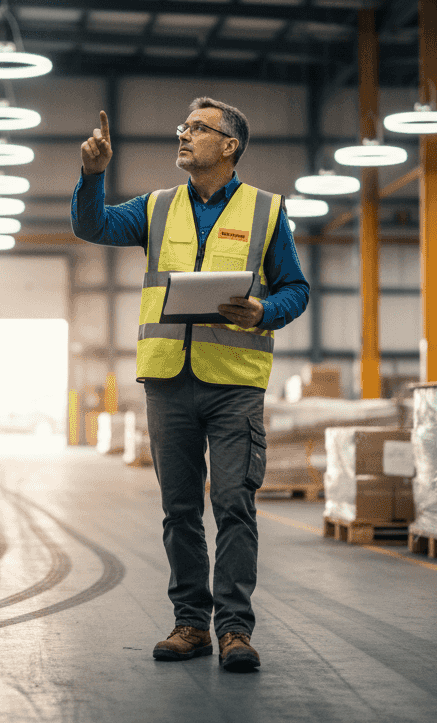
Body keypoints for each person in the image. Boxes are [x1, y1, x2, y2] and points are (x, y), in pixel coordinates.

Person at [72, 98, 310, 672]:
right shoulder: (156, 208)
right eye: (184, 126)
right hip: (168, 381)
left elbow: (296, 289)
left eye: (199, 128)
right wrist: (92, 176)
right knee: (179, 510)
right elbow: (91, 225)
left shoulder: (266, 211)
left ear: (230, 146)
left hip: (234, 386)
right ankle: (190, 624)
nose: (184, 134)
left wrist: (264, 311)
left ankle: (234, 630)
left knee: (233, 505)